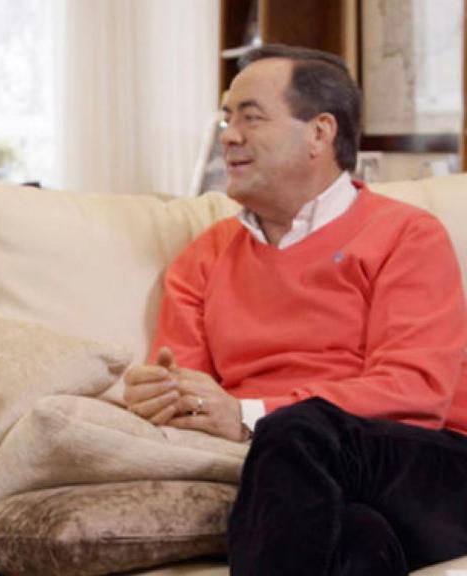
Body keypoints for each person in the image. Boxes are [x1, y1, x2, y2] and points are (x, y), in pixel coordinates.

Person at [124, 44, 467, 575]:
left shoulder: (406, 235)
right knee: (356, 541)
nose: (228, 135)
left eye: (250, 117)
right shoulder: (203, 258)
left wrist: (247, 413)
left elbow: (416, 392)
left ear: (319, 133)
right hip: (296, 477)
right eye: (226, 117)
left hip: (430, 466)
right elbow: (189, 394)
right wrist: (165, 397)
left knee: (299, 430)